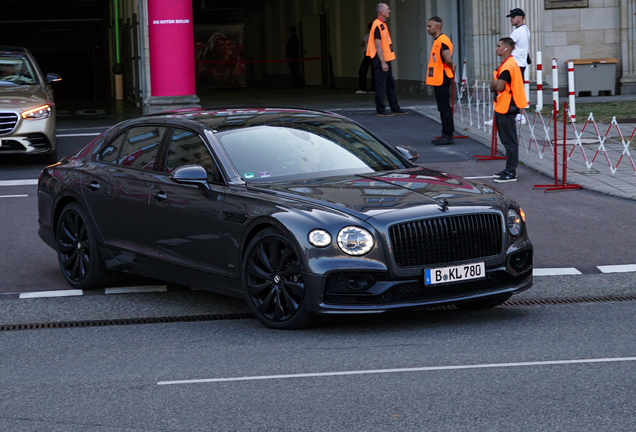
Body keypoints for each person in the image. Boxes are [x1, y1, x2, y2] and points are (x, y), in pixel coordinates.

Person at [490, 37, 528, 183]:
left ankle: (511, 172)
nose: (496, 48)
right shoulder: (507, 64)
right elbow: (496, 85)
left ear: (506, 48)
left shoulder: (508, 65)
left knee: (509, 140)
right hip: (503, 105)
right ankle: (508, 169)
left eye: (498, 46)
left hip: (507, 106)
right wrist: (494, 83)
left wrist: (493, 84)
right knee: (506, 140)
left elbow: (498, 87)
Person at [366, 3, 407, 116]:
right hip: (380, 59)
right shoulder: (377, 25)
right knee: (381, 85)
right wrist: (383, 62)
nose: (389, 11)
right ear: (381, 12)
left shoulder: (382, 24)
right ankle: (380, 109)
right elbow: (378, 45)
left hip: (385, 59)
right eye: (387, 9)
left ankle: (395, 107)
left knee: (390, 84)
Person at [426, 17, 456, 145]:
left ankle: (448, 135)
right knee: (442, 106)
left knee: (444, 107)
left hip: (442, 77)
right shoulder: (438, 40)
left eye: (430, 26)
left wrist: (451, 64)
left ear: (437, 27)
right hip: (439, 78)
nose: (427, 29)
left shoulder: (442, 40)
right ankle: (445, 133)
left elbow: (447, 58)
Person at [507, 8, 530, 123]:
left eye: (513, 17)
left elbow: (507, 44)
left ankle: (519, 114)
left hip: (515, 64)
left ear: (520, 17)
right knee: (517, 88)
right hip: (520, 63)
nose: (511, 19)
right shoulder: (525, 30)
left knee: (513, 89)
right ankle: (519, 113)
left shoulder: (518, 31)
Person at [356, 23, 375, 94]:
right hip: (375, 54)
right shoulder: (378, 35)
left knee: (362, 70)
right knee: (374, 71)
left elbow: (362, 44)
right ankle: (373, 89)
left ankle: (363, 88)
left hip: (368, 53)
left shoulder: (368, 35)